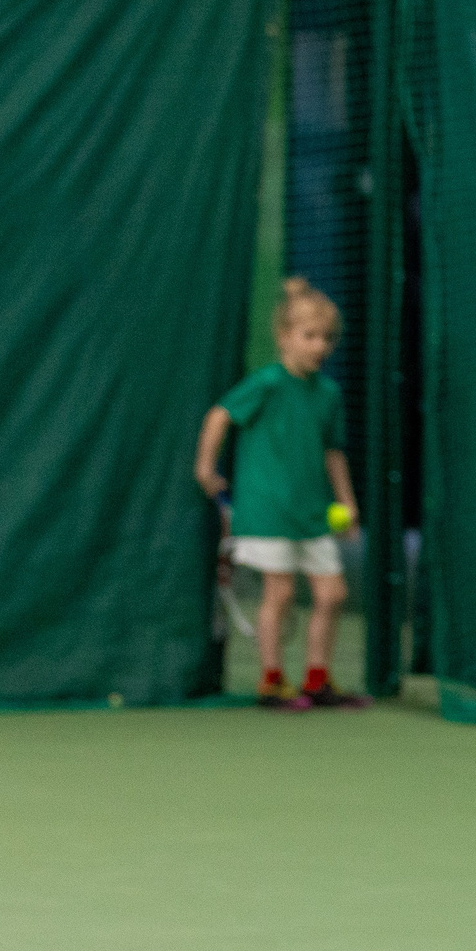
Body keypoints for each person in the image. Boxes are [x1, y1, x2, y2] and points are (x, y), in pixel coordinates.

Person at [195, 279, 362, 709]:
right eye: (309, 337)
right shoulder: (265, 384)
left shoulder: (329, 394)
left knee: (333, 595)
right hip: (267, 512)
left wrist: (346, 501)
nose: (319, 347)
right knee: (281, 595)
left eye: (327, 339)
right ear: (285, 337)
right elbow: (219, 416)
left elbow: (333, 453)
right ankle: (271, 680)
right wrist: (206, 467)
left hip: (311, 514)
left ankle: (317, 680)